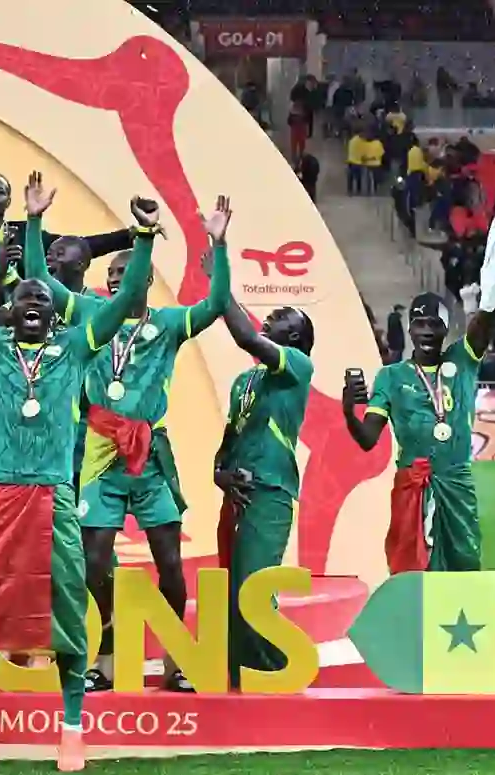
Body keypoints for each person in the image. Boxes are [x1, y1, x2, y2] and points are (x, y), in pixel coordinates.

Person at [0, 173, 160, 771]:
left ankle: (72, 729)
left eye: (42, 300)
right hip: (1, 499)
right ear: (11, 311)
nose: (33, 306)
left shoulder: (77, 345)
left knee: (66, 607)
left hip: (55, 499)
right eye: (24, 300)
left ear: (54, 311)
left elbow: (126, 297)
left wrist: (142, 236)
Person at [80, 200, 232, 695]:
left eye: (127, 271)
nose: (116, 279)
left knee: (169, 560)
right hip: (101, 455)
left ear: (145, 278)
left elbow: (215, 305)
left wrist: (220, 245)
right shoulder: (90, 316)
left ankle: (176, 656)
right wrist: (36, 222)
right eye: (111, 273)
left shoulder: (167, 325)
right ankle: (106, 650)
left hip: (149, 457)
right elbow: (43, 279)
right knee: (95, 560)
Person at [209, 197, 316, 684]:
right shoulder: (244, 382)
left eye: (281, 321)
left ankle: (271, 669)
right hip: (240, 491)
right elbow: (230, 437)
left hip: (272, 490)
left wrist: (221, 270)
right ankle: (235, 669)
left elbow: (246, 337)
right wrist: (220, 472)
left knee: (255, 585)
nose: (269, 321)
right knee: (233, 586)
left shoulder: (297, 368)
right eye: (271, 316)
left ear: (295, 340)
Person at [343, 287, 495, 572]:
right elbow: (368, 439)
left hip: (455, 481)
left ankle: (457, 614)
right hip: (412, 483)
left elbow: (486, 322)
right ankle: (413, 616)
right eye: (419, 323)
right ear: (409, 329)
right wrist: (348, 411)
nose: (427, 331)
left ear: (446, 329)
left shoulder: (461, 360)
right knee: (410, 564)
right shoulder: (390, 376)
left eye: (434, 324)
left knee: (465, 559)